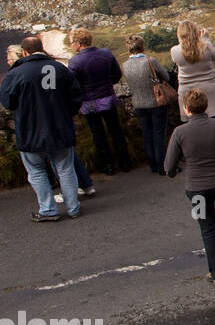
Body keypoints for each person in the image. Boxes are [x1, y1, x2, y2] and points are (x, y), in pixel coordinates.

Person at [164, 89, 215, 286]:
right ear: (206, 106)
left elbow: (169, 166)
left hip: (196, 189)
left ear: (186, 109)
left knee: (207, 228)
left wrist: (173, 173)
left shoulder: (179, 132)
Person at [0, 36, 84, 221]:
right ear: (42, 48)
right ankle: (73, 207)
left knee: (36, 171)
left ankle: (48, 209)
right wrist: (66, 114)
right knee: (65, 169)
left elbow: (7, 102)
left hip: (30, 130)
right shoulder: (59, 69)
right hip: (60, 127)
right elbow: (76, 96)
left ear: (23, 52)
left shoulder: (16, 73)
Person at [68, 28, 132, 174]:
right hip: (108, 98)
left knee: (98, 134)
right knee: (116, 131)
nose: (71, 45)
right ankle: (125, 163)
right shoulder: (106, 54)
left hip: (89, 102)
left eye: (72, 42)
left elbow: (73, 85)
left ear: (78, 43)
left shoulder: (74, 62)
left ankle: (108, 166)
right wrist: (106, 84)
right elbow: (117, 74)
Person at [121, 35, 171, 175]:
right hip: (155, 101)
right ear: (142, 47)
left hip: (138, 103)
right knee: (159, 134)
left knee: (147, 134)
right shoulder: (150, 61)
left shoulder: (125, 65)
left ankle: (153, 165)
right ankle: (162, 165)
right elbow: (165, 76)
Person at [172, 20, 215, 121]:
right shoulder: (205, 47)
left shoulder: (175, 51)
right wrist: (206, 39)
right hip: (209, 88)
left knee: (190, 124)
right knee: (212, 122)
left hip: (186, 91)